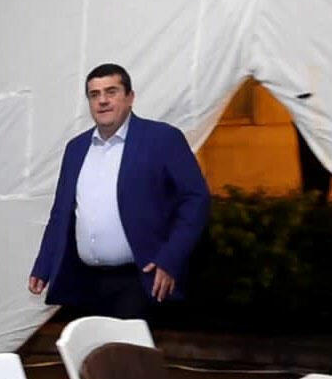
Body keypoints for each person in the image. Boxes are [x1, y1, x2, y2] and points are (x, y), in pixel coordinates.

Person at [28, 63, 209, 320]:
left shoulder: (162, 139)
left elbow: (196, 199)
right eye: (94, 94)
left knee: (125, 347)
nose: (102, 101)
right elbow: (61, 213)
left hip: (138, 280)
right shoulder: (76, 149)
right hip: (84, 282)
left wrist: (171, 258)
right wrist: (44, 265)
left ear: (130, 97)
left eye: (111, 92)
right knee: (88, 345)